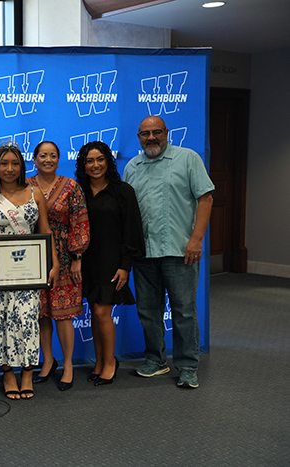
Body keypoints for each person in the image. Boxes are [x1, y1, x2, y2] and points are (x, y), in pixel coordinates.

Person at [123, 116, 214, 389]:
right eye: (145, 134)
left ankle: (187, 366)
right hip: (144, 254)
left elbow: (206, 198)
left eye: (156, 132)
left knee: (184, 311)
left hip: (180, 251)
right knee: (148, 311)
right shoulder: (132, 167)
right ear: (138, 136)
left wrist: (197, 239)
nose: (151, 138)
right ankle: (155, 360)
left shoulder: (187, 159)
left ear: (166, 133)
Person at [0, 142, 57, 399]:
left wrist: (54, 263)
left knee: (27, 319)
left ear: (22, 166)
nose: (9, 169)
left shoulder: (35, 193)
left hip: (28, 271)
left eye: (15, 163)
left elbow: (45, 230)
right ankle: (8, 372)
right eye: (4, 164)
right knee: (2, 321)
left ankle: (28, 370)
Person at [75, 141, 145, 386]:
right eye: (90, 161)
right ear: (83, 165)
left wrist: (126, 265)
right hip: (85, 261)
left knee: (103, 312)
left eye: (100, 159)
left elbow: (132, 230)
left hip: (111, 261)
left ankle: (110, 362)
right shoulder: (78, 190)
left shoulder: (123, 191)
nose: (95, 165)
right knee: (95, 312)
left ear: (108, 161)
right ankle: (100, 360)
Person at [27, 141, 90, 391]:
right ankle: (48, 361)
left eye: (53, 155)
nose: (48, 160)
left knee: (63, 315)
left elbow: (80, 221)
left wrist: (77, 257)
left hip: (65, 258)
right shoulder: (26, 186)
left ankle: (68, 364)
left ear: (59, 159)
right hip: (33, 259)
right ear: (34, 159)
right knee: (41, 313)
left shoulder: (71, 186)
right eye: (43, 155)